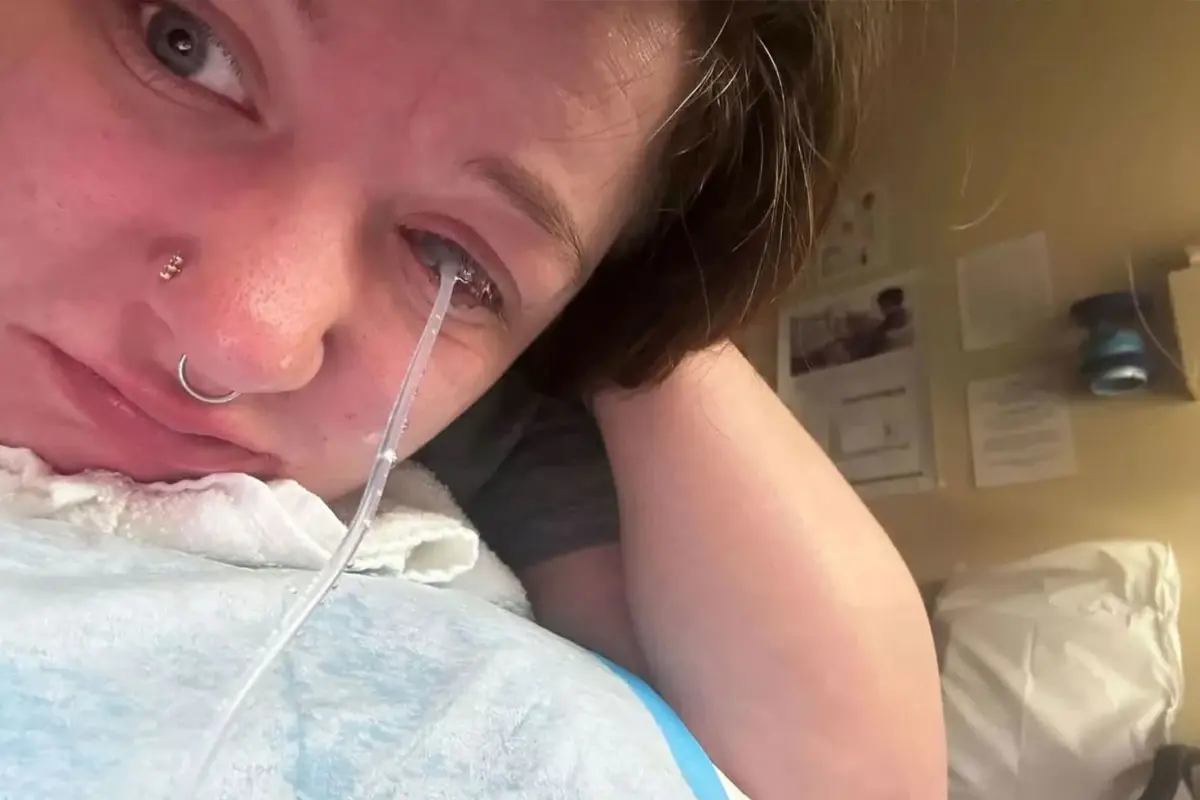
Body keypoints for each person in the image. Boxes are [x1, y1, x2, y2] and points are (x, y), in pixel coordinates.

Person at [0, 1, 945, 798]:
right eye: (185, 46)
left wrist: (644, 319)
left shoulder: (458, 446)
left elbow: (853, 782)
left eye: (448, 258)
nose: (241, 339)